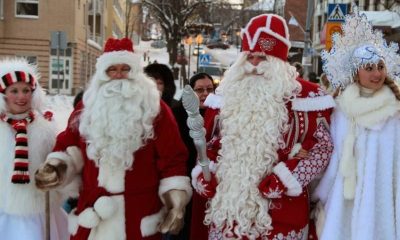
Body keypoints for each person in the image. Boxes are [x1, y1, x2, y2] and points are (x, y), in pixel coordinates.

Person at [191, 13, 336, 239]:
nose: (255, 65)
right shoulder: (228, 95)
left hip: (282, 215)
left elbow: (321, 148)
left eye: (263, 58)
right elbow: (213, 143)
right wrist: (204, 172)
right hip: (229, 216)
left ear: (279, 60)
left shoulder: (309, 98)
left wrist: (287, 178)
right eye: (250, 57)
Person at [34, 37, 192, 240]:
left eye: (125, 68)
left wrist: (176, 200)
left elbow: (172, 158)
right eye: (112, 69)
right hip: (92, 217)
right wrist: (56, 167)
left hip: (137, 215)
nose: (118, 75)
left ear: (135, 72)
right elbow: (70, 145)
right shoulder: (87, 107)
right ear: (103, 73)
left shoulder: (156, 109)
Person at [312, 6, 400, 240]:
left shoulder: (396, 112)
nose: (377, 73)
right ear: (355, 73)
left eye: (380, 66)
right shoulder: (340, 111)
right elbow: (333, 160)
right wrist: (318, 195)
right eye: (369, 68)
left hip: (384, 204)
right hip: (344, 204)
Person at [0, 58, 68, 239]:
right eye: (14, 90)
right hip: (4, 209)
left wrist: (54, 173)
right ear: (3, 94)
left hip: (38, 208)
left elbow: (58, 159)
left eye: (26, 90)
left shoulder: (45, 126)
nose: (21, 96)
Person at [170, 72, 215, 240]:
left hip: (209, 184)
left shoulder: (220, 115)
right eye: (200, 90)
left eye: (210, 89)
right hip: (184, 183)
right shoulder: (177, 115)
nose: (205, 94)